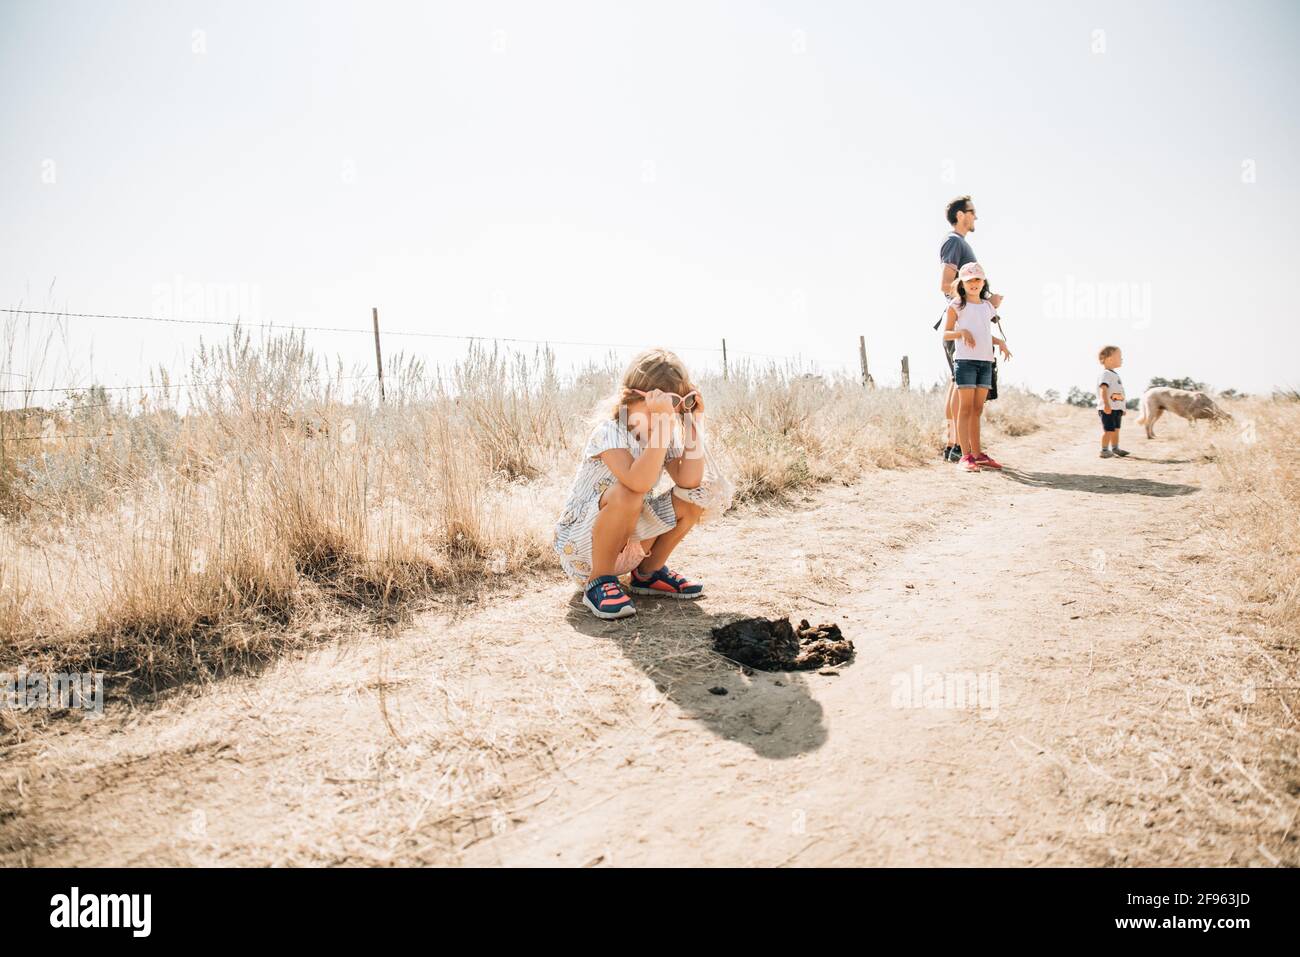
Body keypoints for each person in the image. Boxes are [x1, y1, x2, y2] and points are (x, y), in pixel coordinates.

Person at [553, 348, 709, 620]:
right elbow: (639, 481)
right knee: (629, 492)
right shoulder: (610, 432)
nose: (663, 419)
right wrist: (663, 427)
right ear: (630, 399)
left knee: (694, 495)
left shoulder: (660, 436)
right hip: (583, 547)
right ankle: (599, 581)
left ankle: (647, 573)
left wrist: (692, 420)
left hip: (629, 541)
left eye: (675, 408)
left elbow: (689, 480)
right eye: (655, 411)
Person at [937, 196, 1003, 462]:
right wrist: (980, 303)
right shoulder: (954, 242)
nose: (976, 217)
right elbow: (945, 284)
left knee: (957, 385)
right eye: (973, 212)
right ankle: (954, 446)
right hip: (960, 326)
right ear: (961, 215)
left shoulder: (960, 243)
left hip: (970, 325)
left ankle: (955, 445)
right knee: (958, 384)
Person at [940, 262, 1011, 472]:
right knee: (965, 409)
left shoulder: (988, 306)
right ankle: (965, 456)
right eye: (969, 280)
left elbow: (983, 332)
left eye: (978, 279)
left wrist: (1001, 343)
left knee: (978, 410)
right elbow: (945, 334)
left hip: (986, 362)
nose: (974, 283)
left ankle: (978, 455)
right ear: (962, 283)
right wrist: (962, 333)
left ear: (983, 282)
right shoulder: (956, 305)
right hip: (965, 362)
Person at [1096, 345, 1130, 458]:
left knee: (1116, 430)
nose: (1122, 359)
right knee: (1109, 430)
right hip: (1108, 408)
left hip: (1117, 409)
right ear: (1109, 358)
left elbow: (1120, 393)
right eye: (1119, 356)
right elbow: (1104, 389)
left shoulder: (1115, 375)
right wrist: (1106, 404)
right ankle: (1104, 450)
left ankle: (1115, 448)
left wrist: (1123, 408)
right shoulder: (1106, 374)